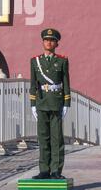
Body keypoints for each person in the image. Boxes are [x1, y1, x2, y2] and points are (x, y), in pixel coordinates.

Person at [30, 28, 71, 179]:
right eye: (46, 40)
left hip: (56, 102)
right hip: (41, 102)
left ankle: (56, 171)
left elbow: (66, 82)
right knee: (43, 138)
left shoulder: (62, 60)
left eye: (52, 40)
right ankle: (44, 170)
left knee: (56, 138)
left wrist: (66, 103)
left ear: (56, 43)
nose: (49, 42)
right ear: (42, 42)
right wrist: (32, 104)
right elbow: (33, 84)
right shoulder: (35, 61)